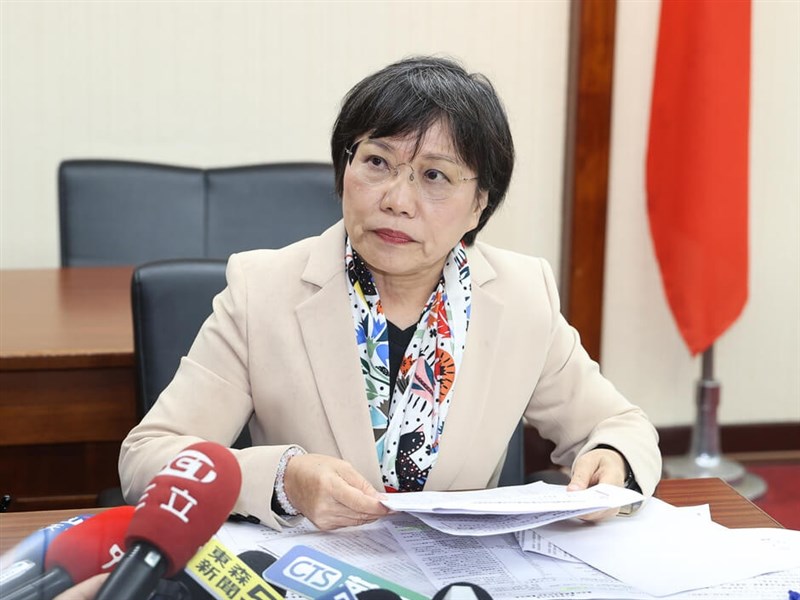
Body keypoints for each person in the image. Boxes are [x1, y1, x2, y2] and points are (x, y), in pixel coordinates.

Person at [119, 56, 662, 532]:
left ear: (479, 205)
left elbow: (620, 427)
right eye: (377, 162)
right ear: (345, 168)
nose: (398, 200)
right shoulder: (262, 289)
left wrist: (612, 458)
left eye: (435, 176)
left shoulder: (522, 296)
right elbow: (147, 458)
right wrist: (283, 479)